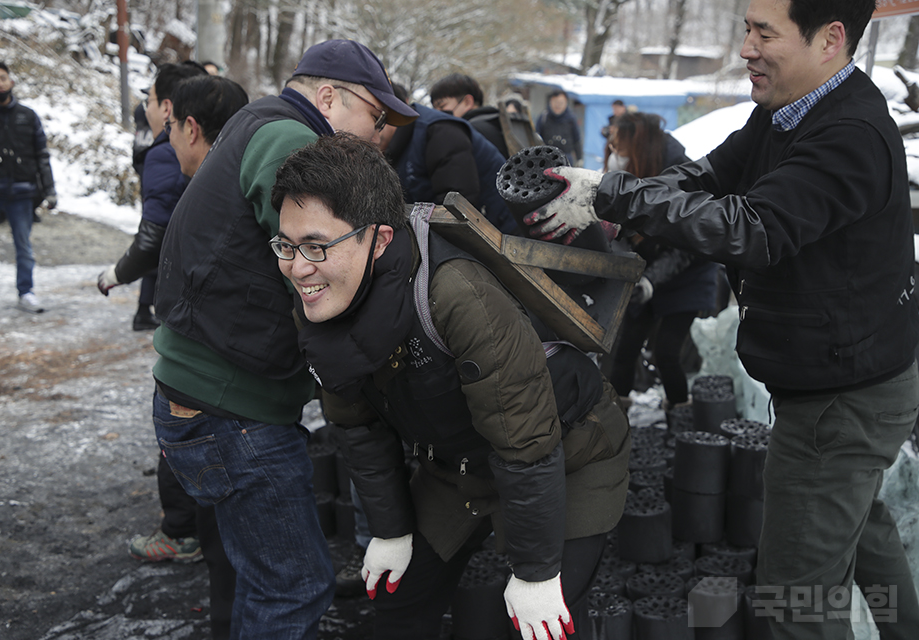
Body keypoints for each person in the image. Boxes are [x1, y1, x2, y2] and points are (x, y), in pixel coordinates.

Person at [523, 1, 919, 637]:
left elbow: (751, 227)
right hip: (843, 381)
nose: (746, 49)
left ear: (831, 39)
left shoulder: (848, 135)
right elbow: (707, 175)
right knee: (862, 535)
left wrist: (611, 193)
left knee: (795, 599)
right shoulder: (785, 113)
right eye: (745, 29)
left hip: (839, 402)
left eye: (765, 33)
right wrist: (616, 201)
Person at [271, 132, 630, 640]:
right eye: (286, 244)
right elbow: (358, 428)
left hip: (564, 455)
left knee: (542, 626)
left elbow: (525, 444)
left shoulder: (457, 295)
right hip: (458, 465)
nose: (297, 267)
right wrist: (392, 529)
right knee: (400, 606)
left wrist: (535, 574)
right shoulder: (320, 293)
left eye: (315, 246)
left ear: (379, 239)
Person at [150, 39, 418, 639]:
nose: (379, 137)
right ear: (328, 96)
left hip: (200, 391)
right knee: (295, 587)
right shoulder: (290, 140)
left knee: (254, 573)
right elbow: (331, 265)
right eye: (376, 118)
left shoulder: (258, 122)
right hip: (233, 408)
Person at [125, 73, 248, 640]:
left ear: (189, 125)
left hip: (215, 393)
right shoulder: (239, 176)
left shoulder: (204, 187)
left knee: (229, 535)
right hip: (224, 389)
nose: (164, 130)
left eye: (166, 119)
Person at [603, 112, 718, 410]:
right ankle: (616, 417)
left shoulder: (682, 178)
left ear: (640, 147)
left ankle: (679, 419)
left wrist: (651, 280)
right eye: (613, 149)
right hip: (647, 276)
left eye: (620, 149)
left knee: (667, 352)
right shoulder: (637, 177)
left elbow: (690, 247)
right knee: (625, 347)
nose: (615, 156)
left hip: (688, 277)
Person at [97, 63, 206, 331]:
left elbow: (153, 237)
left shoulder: (166, 152)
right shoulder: (219, 138)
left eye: (151, 101)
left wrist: (115, 274)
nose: (146, 108)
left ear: (167, 108)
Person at [0, 60, 56, 316]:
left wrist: (49, 190)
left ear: (11, 81)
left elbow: (42, 155)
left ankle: (26, 292)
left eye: (3, 78)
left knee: (24, 246)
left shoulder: (27, 116)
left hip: (21, 193)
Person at [382, 84, 516, 234]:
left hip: (498, 232)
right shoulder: (395, 145)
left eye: (373, 116)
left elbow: (459, 211)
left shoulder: (441, 131)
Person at [430, 73, 509, 157]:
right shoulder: (495, 122)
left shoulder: (470, 132)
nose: (437, 113)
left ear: (467, 102)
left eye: (442, 106)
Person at [535, 88, 582, 166]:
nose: (558, 105)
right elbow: (536, 137)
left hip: (566, 161)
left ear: (566, 103)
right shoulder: (543, 118)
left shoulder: (571, 119)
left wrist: (579, 159)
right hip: (546, 161)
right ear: (550, 102)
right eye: (556, 102)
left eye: (561, 103)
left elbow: (576, 140)